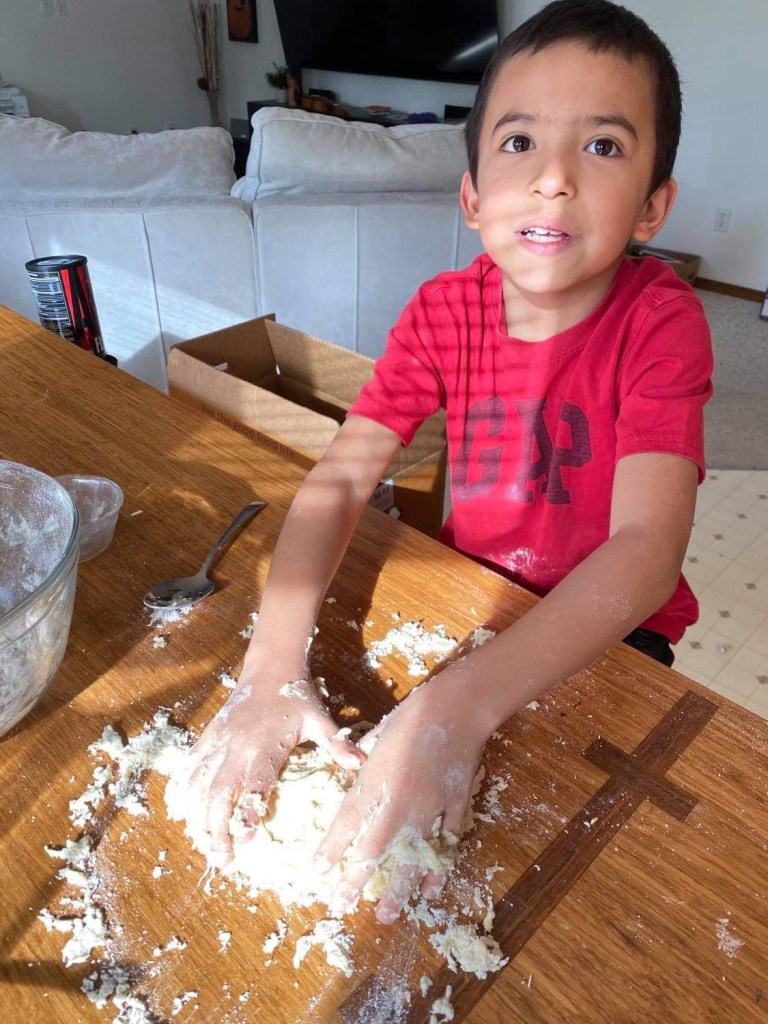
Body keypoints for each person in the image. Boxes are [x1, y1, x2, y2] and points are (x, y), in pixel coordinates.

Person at [186, 0, 713, 925]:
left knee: (581, 887)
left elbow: (645, 553)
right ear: (471, 198)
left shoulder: (661, 324)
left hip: (616, 636)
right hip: (473, 604)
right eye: (519, 142)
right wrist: (269, 668)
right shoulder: (443, 313)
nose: (553, 179)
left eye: (602, 147)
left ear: (651, 207)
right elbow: (340, 481)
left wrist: (455, 711)